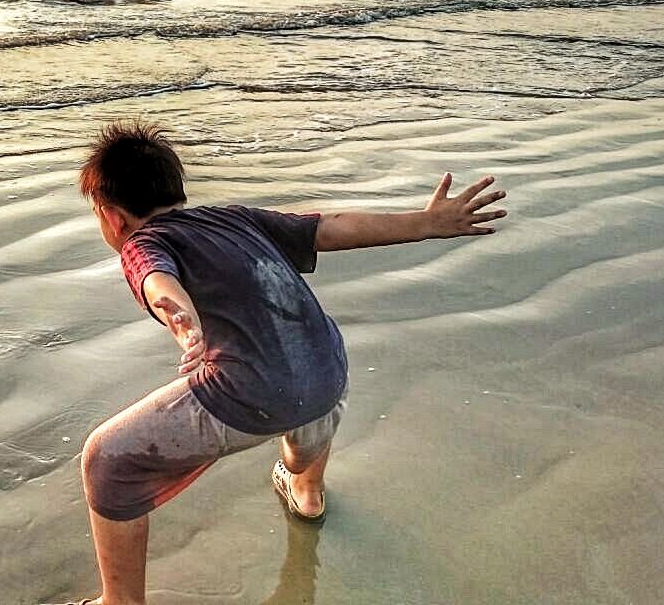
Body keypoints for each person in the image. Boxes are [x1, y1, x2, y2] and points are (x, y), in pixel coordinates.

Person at [63, 121, 507, 605]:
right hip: (327, 371)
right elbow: (330, 227)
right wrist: (422, 223)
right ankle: (308, 491)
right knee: (296, 437)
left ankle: (120, 601)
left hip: (257, 394)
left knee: (106, 460)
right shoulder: (236, 219)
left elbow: (156, 279)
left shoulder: (143, 242)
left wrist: (182, 319)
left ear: (112, 217)